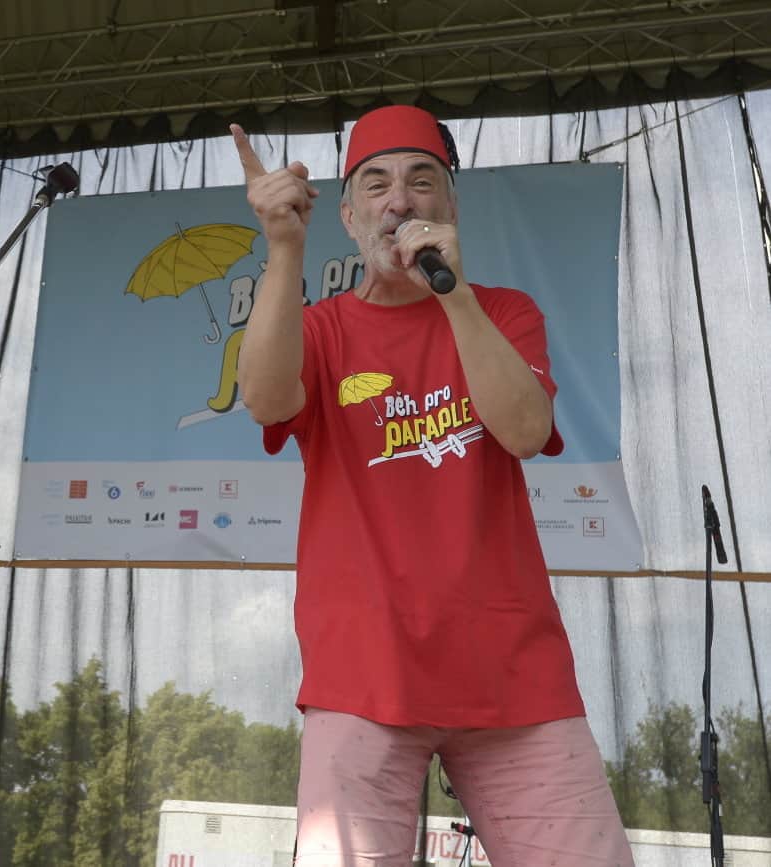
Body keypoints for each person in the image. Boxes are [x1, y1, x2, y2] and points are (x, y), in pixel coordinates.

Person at [229, 106, 635, 865]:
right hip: (363, 673)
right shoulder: (322, 329)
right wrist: (283, 248)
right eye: (376, 185)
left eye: (422, 182)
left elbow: (524, 429)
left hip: (513, 671)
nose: (399, 200)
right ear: (347, 216)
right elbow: (264, 398)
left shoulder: (504, 312)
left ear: (451, 206)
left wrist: (454, 295)